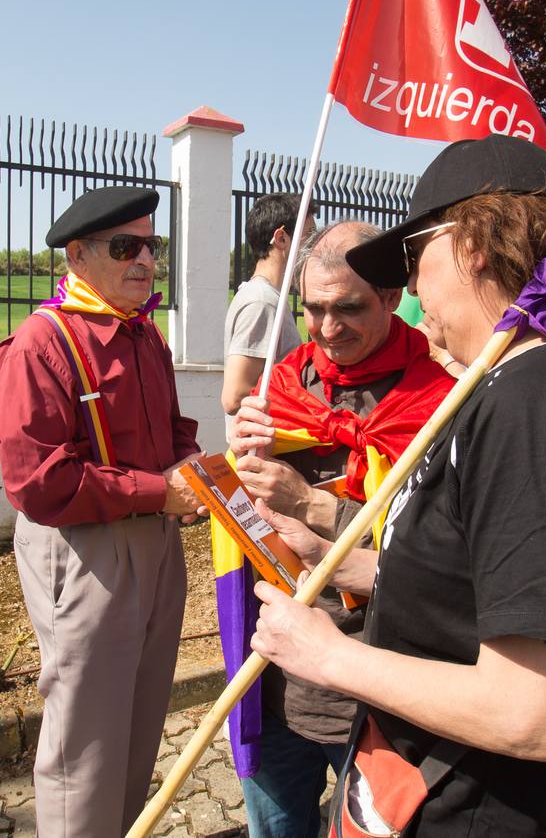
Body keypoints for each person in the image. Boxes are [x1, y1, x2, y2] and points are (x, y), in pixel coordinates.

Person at [240, 134, 546, 835]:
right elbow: (473, 583)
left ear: (472, 244)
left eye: (415, 262)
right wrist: (342, 555)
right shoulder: (504, 390)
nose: (415, 294)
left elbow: (529, 713)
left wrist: (327, 654)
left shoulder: (530, 406)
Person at [0, 185, 202, 837]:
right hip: (85, 552)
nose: (144, 260)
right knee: (86, 740)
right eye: (124, 246)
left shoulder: (145, 336)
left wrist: (188, 464)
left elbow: (171, 427)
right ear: (76, 256)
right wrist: (157, 492)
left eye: (150, 245)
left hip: (157, 543)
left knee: (138, 721)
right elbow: (39, 482)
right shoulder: (40, 343)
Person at [228, 220, 456, 837]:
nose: (329, 329)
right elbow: (247, 522)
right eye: (314, 310)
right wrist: (229, 483)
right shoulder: (280, 389)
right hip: (272, 676)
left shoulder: (440, 403)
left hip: (378, 687)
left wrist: (311, 503)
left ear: (390, 297)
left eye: (349, 308)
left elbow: (443, 554)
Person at [223, 193, 317, 435]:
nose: (315, 246)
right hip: (259, 455)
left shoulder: (269, 297)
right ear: (281, 238)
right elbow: (234, 396)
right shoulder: (262, 302)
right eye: (310, 235)